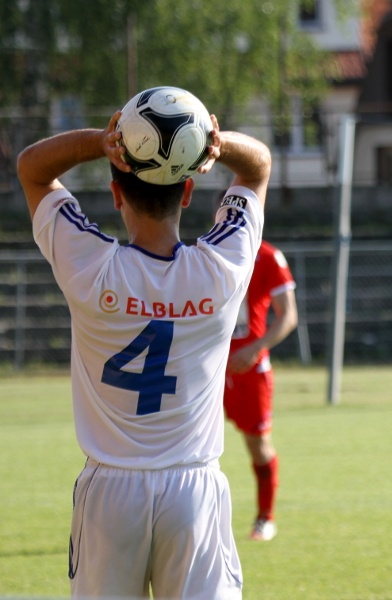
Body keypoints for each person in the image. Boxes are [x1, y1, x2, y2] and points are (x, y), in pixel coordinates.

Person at [17, 99, 271, 598]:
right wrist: (215, 144)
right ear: (190, 192)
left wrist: (99, 141)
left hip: (111, 491)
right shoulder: (221, 271)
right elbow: (258, 165)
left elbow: (31, 169)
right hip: (193, 489)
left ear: (116, 194)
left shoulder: (90, 268)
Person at [224, 238, 298, 541]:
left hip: (250, 370)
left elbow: (289, 316)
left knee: (257, 443)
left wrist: (255, 348)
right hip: (207, 366)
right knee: (189, 444)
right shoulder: (205, 251)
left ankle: (265, 518)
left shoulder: (267, 256)